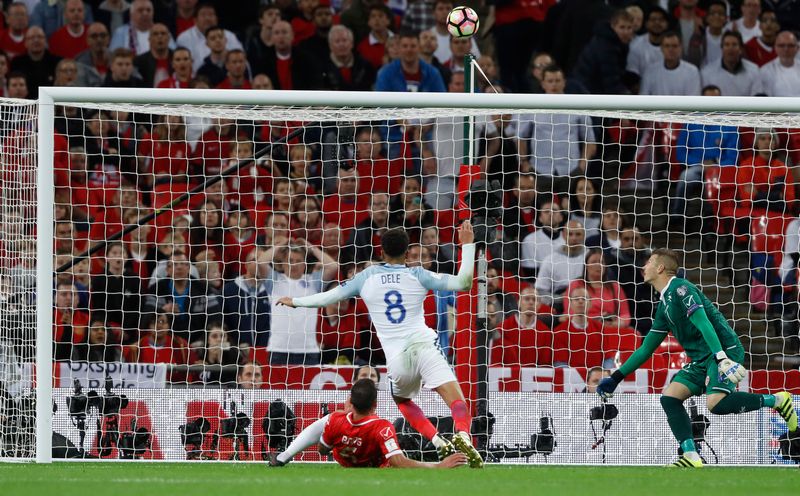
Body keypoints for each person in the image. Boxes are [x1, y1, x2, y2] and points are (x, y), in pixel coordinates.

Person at [276, 221, 484, 468]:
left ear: (381, 251)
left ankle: (437, 441)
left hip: (397, 357)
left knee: (404, 402)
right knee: (457, 401)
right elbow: (464, 283)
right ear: (408, 253)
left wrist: (296, 301)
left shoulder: (366, 277)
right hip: (425, 345)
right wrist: (468, 245)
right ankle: (462, 434)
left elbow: (330, 296)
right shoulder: (419, 274)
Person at [596, 248, 798, 467]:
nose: (643, 267)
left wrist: (722, 359)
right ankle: (691, 455)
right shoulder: (664, 305)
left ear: (660, 267)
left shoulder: (681, 288)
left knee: (715, 404)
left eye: (649, 263)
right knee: (670, 397)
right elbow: (646, 349)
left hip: (723, 351)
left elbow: (703, 322)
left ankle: (777, 400)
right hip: (701, 359)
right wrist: (615, 378)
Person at [271, 379, 466, 468]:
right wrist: (438, 466)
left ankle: (285, 455)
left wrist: (341, 438)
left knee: (326, 420)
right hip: (376, 465)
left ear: (350, 401)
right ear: (375, 404)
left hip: (344, 462)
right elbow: (398, 462)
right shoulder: (382, 427)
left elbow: (322, 450)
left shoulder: (335, 420)